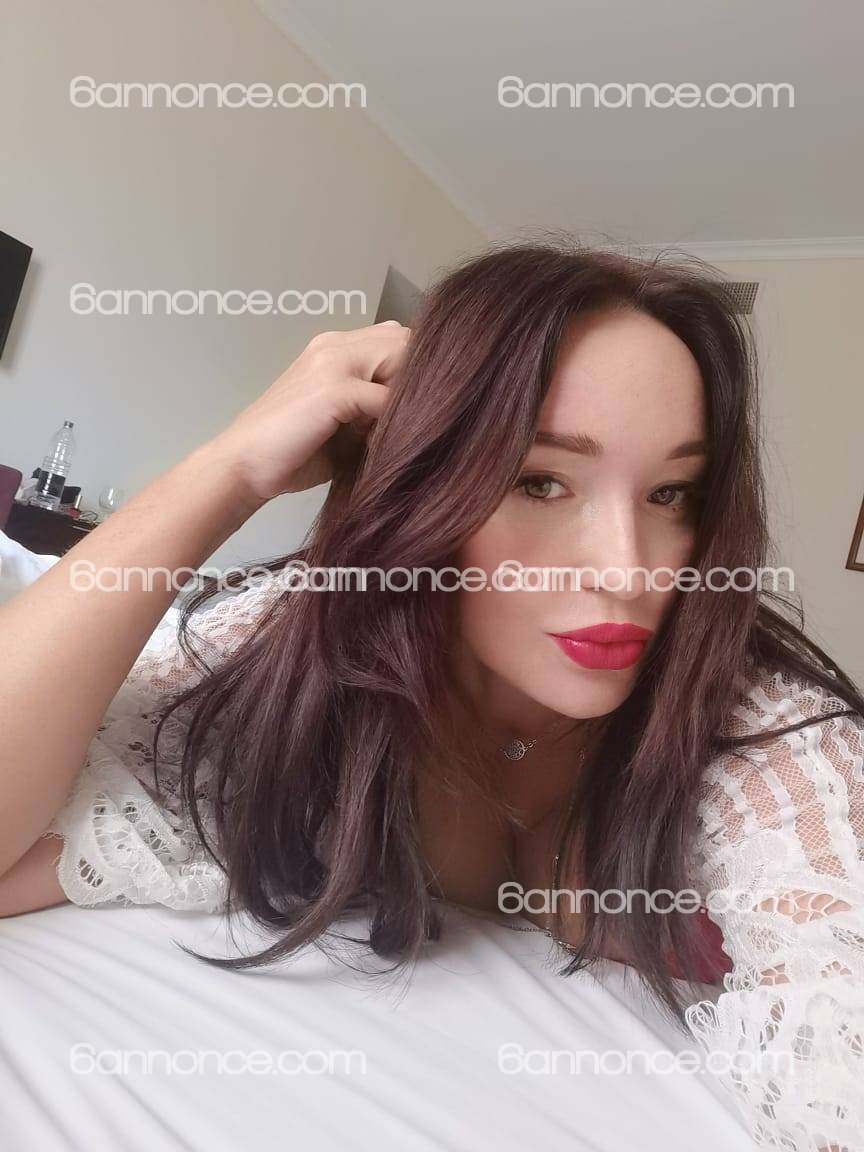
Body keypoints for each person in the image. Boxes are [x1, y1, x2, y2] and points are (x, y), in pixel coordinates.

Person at [1, 241, 862, 1150]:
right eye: (540, 480)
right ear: (424, 487)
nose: (628, 569)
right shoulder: (311, 637)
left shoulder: (770, 737)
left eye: (671, 493)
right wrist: (232, 468)